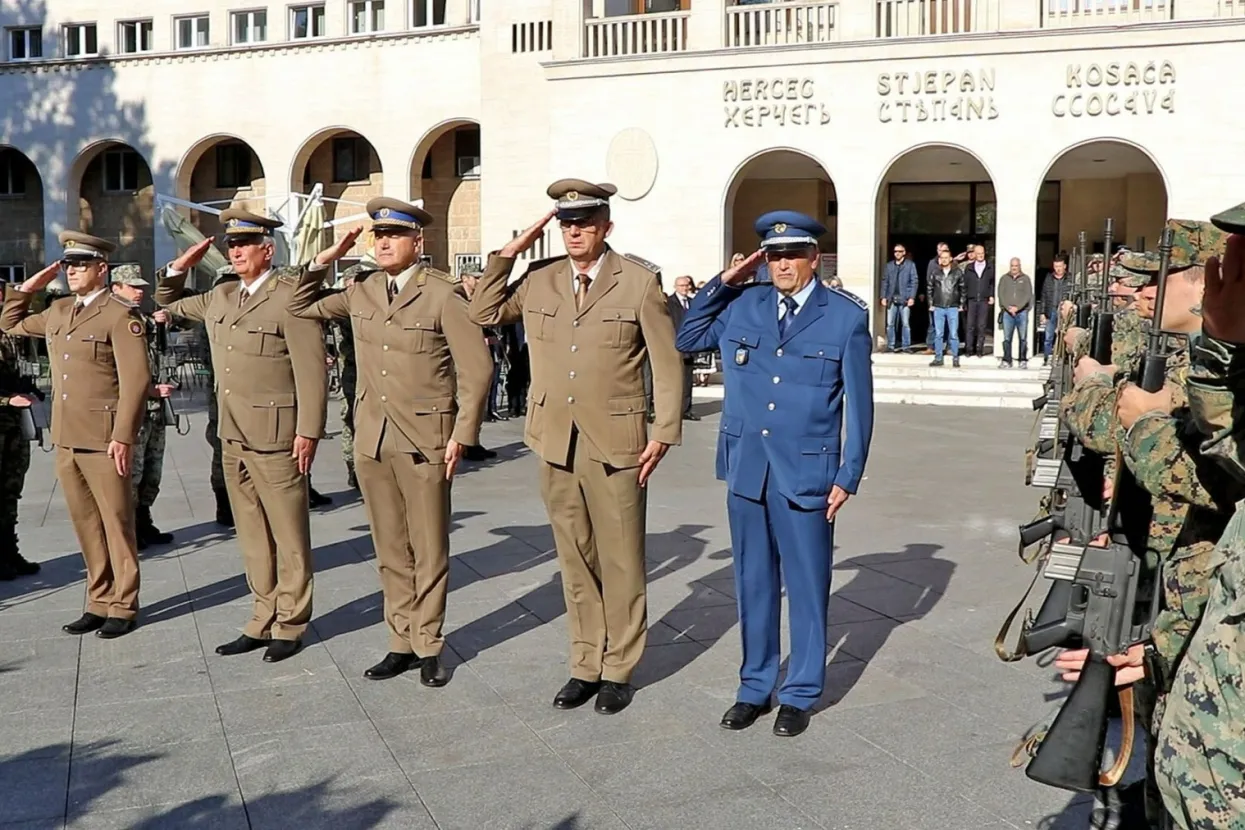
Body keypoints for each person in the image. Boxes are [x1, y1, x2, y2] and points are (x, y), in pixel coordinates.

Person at [468, 178, 683, 715]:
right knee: (574, 559)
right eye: (566, 224)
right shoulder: (540, 281)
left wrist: (665, 429)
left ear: (606, 226)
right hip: (555, 440)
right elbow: (483, 313)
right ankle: (585, 662)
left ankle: (619, 668)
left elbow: (666, 359)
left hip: (616, 441)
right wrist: (506, 256)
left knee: (621, 560)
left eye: (584, 222)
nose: (574, 232)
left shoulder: (637, 282)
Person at [675, 211, 874, 738]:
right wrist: (725, 282)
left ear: (814, 258)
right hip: (748, 469)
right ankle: (754, 686)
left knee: (808, 585)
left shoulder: (845, 318)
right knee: (753, 582)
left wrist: (849, 473)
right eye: (773, 255)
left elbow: (860, 404)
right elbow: (687, 337)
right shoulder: (744, 305)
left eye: (792, 254)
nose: (782, 264)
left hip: (808, 472)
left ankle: (801, 692)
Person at [288, 197, 492, 686]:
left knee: (428, 548)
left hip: (425, 438)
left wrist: (462, 435)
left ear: (417, 242)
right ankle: (399, 640)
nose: (383, 243)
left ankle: (429, 644)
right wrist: (320, 260)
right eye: (378, 236)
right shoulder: (361, 290)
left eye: (394, 236)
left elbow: (477, 369)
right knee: (389, 548)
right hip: (373, 439)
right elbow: (297, 305)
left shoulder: (442, 293)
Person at [155, 209, 343, 664]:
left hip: (278, 435)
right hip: (233, 435)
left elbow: (311, 370)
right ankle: (262, 616)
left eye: (244, 244)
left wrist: (309, 430)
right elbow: (166, 301)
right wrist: (183, 263)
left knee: (289, 533)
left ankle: (291, 622)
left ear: (267, 249)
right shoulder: (219, 296)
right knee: (253, 534)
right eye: (230, 245)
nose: (235, 251)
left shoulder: (290, 296)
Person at [1, 232, 150, 638]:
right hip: (68, 436)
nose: (71, 272)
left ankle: (124, 604)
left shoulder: (120, 315)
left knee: (117, 523)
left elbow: (136, 381)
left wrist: (124, 436)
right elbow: (9, 322)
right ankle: (98, 600)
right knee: (85, 523)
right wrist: (28, 286)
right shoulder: (59, 310)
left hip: (105, 438)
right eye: (67, 265)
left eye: (80, 265)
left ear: (102, 269)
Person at [109, 264, 177, 550]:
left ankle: (144, 520)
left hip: (155, 410)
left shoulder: (142, 320)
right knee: (131, 473)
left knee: (152, 469)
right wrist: (148, 390)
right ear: (116, 288)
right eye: (133, 287)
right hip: (133, 411)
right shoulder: (111, 321)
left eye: (141, 287)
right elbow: (114, 373)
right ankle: (129, 529)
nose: (140, 292)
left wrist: (164, 321)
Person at [0, 332, 41, 580]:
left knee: (11, 490)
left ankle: (8, 552)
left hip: (15, 425)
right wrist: (6, 400)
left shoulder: (15, 334)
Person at [667, 275, 699, 421]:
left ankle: (686, 410)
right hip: (674, 346)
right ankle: (672, 410)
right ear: (675, 287)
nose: (685, 288)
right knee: (673, 381)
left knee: (687, 381)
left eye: (687, 285)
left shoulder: (694, 303)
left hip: (690, 347)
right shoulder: (669, 303)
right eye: (681, 286)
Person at [928, 248, 965, 368]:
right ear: (939, 259)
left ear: (950, 259)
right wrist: (930, 304)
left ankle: (955, 357)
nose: (944, 260)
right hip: (938, 306)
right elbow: (929, 288)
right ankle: (938, 357)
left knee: (954, 334)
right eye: (942, 258)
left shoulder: (957, 272)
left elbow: (963, 289)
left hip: (953, 307)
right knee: (939, 334)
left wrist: (961, 303)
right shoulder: (935, 272)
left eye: (946, 257)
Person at [880, 243, 917, 352]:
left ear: (904, 253)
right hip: (891, 298)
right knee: (890, 324)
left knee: (905, 323)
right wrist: (883, 296)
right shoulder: (889, 265)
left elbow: (914, 281)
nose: (897, 253)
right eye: (895, 251)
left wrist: (912, 297)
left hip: (904, 298)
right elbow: (885, 281)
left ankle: (906, 346)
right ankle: (891, 345)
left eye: (900, 251)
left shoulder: (910, 265)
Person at [997, 258, 1034, 369]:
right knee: (1007, 338)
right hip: (1007, 313)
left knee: (1023, 337)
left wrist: (1018, 308)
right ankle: (1007, 360)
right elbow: (1001, 294)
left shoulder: (1025, 279)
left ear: (1019, 266)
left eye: (1016, 265)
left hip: (1021, 312)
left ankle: (1022, 360)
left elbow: (1028, 295)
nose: (1014, 268)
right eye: (1012, 265)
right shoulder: (1004, 279)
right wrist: (1008, 308)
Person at [962, 244, 995, 358]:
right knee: (970, 326)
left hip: (983, 300)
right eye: (978, 253)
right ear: (974, 254)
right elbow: (965, 285)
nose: (980, 255)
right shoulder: (969, 267)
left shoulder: (990, 267)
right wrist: (963, 301)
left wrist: (991, 295)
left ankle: (979, 349)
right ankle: (969, 349)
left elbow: (992, 283)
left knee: (981, 326)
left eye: (982, 253)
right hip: (971, 300)